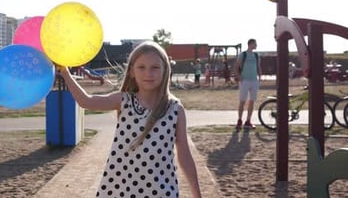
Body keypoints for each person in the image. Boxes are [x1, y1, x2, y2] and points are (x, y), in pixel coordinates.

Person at [57, 41, 202, 198]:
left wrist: (197, 193)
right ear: (132, 71)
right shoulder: (124, 101)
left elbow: (184, 155)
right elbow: (87, 101)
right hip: (120, 188)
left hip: (160, 191)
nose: (148, 73)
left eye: (155, 67)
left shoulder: (175, 109)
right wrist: (65, 73)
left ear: (165, 70)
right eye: (141, 67)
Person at [234, 38, 262, 130]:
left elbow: (258, 67)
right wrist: (239, 76)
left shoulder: (256, 55)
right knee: (242, 101)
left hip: (254, 80)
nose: (256, 45)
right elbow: (236, 66)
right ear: (250, 44)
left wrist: (260, 77)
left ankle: (248, 121)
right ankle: (239, 120)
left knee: (252, 101)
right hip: (244, 80)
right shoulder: (243, 55)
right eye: (255, 44)